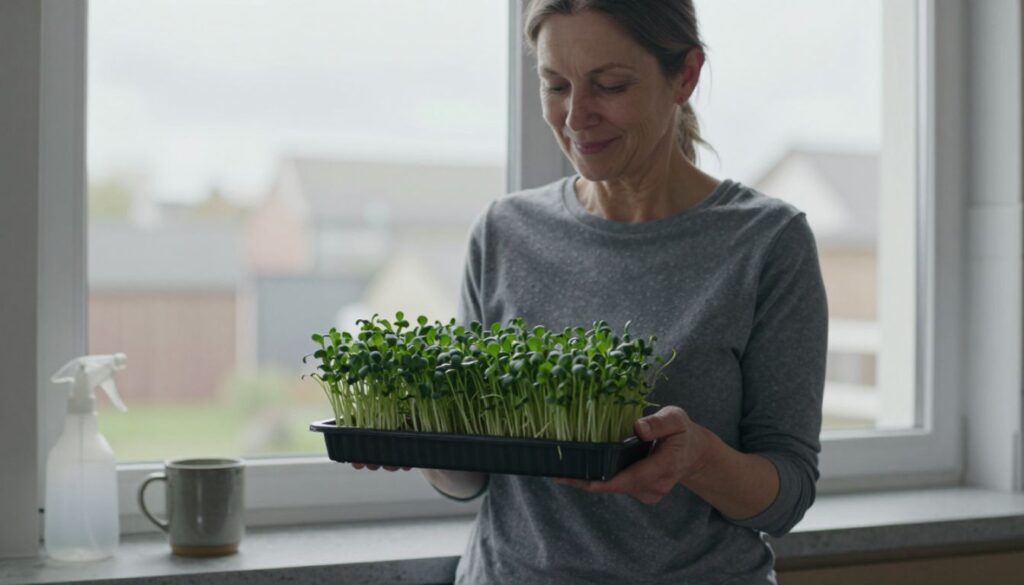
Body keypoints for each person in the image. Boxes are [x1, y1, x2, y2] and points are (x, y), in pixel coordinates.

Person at [356, 1, 827, 583]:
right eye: (555, 85)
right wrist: (419, 443)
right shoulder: (504, 232)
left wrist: (697, 457)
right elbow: (470, 479)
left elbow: (787, 496)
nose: (576, 116)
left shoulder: (767, 242)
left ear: (685, 75)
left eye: (610, 85)